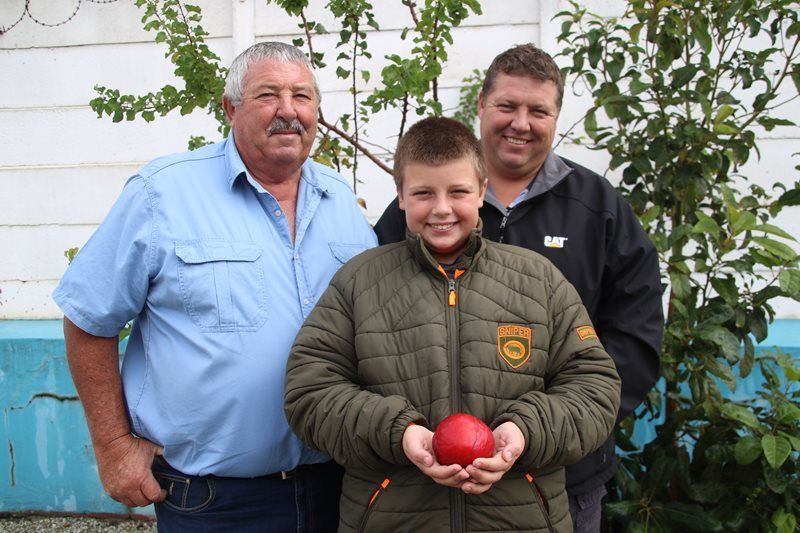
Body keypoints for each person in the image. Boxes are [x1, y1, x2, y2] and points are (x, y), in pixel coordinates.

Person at [53, 41, 377, 532]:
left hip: (336, 489)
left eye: (303, 96)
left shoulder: (342, 204)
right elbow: (87, 319)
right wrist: (115, 446)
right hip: (211, 500)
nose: (288, 111)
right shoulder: (163, 193)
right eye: (268, 95)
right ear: (230, 107)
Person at [374, 44, 664, 532]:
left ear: (556, 116)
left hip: (562, 474)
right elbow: (374, 322)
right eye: (507, 106)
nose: (520, 123)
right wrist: (417, 434)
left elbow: (636, 330)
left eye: (538, 110)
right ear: (482, 106)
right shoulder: (424, 207)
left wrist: (560, 424)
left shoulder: (599, 208)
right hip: (431, 482)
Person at [284, 116, 621, 532]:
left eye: (458, 192)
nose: (441, 209)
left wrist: (524, 431)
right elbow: (310, 391)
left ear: (482, 191)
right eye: (423, 193)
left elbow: (595, 388)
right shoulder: (358, 283)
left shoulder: (540, 281)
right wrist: (398, 433)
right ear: (401, 196)